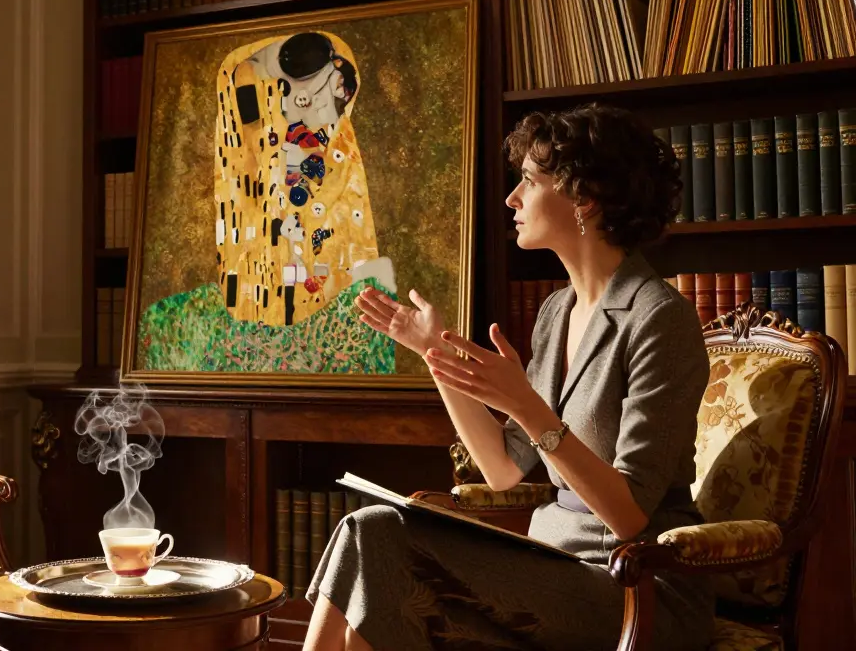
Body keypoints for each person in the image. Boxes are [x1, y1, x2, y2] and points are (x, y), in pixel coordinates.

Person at [302, 103, 717, 651]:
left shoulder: (659, 318)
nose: (512, 199)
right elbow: (501, 470)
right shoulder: (556, 312)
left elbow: (629, 515)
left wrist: (525, 404)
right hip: (553, 564)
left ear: (584, 198)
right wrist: (434, 354)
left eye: (529, 181)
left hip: (636, 583)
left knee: (375, 536)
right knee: (370, 536)